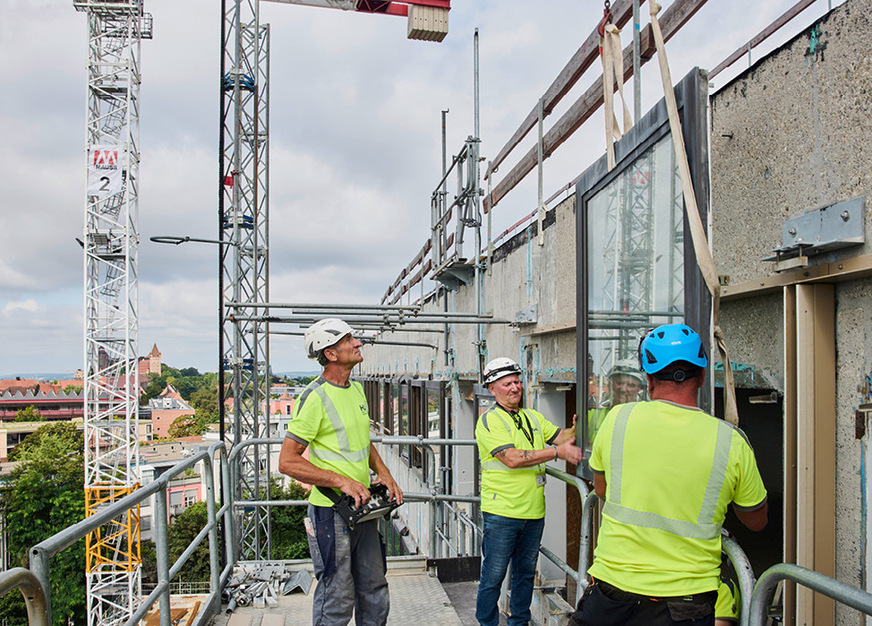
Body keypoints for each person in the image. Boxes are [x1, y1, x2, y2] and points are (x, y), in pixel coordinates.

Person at [570, 323, 768, 626]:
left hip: (612, 593)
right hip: (686, 603)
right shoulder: (731, 441)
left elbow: (602, 489)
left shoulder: (617, 419)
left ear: (649, 379)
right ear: (702, 375)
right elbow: (756, 520)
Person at [278, 318, 403, 626]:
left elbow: (362, 441)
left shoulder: (356, 390)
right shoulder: (314, 397)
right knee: (337, 595)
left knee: (374, 588)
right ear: (330, 354)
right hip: (331, 512)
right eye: (348, 340)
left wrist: (384, 472)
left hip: (362, 507)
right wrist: (340, 481)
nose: (357, 343)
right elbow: (287, 462)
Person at [475, 357, 584, 626]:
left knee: (524, 574)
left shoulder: (532, 417)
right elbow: (511, 458)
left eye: (517, 382)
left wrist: (579, 426)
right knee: (493, 576)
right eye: (507, 384)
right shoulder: (489, 421)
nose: (515, 387)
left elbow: (562, 436)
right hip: (502, 513)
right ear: (492, 389)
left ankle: (519, 622)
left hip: (533, 512)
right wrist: (557, 453)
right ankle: (487, 623)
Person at [587, 358, 647, 445]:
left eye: (631, 385)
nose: (623, 389)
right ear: (609, 384)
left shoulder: (645, 418)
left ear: (639, 388)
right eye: (619, 383)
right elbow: (569, 437)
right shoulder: (592, 416)